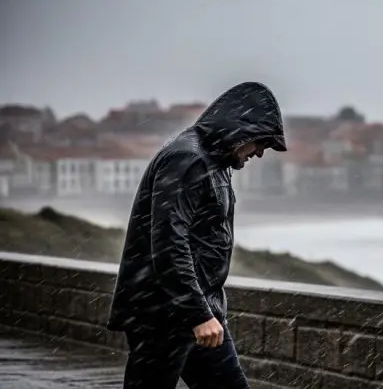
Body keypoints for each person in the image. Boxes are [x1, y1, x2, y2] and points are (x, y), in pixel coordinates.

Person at [106, 82, 287, 389]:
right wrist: (198, 314)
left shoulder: (213, 161)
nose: (258, 153)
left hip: (191, 311)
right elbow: (168, 244)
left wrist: (204, 311)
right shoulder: (188, 159)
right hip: (164, 316)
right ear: (241, 129)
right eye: (261, 143)